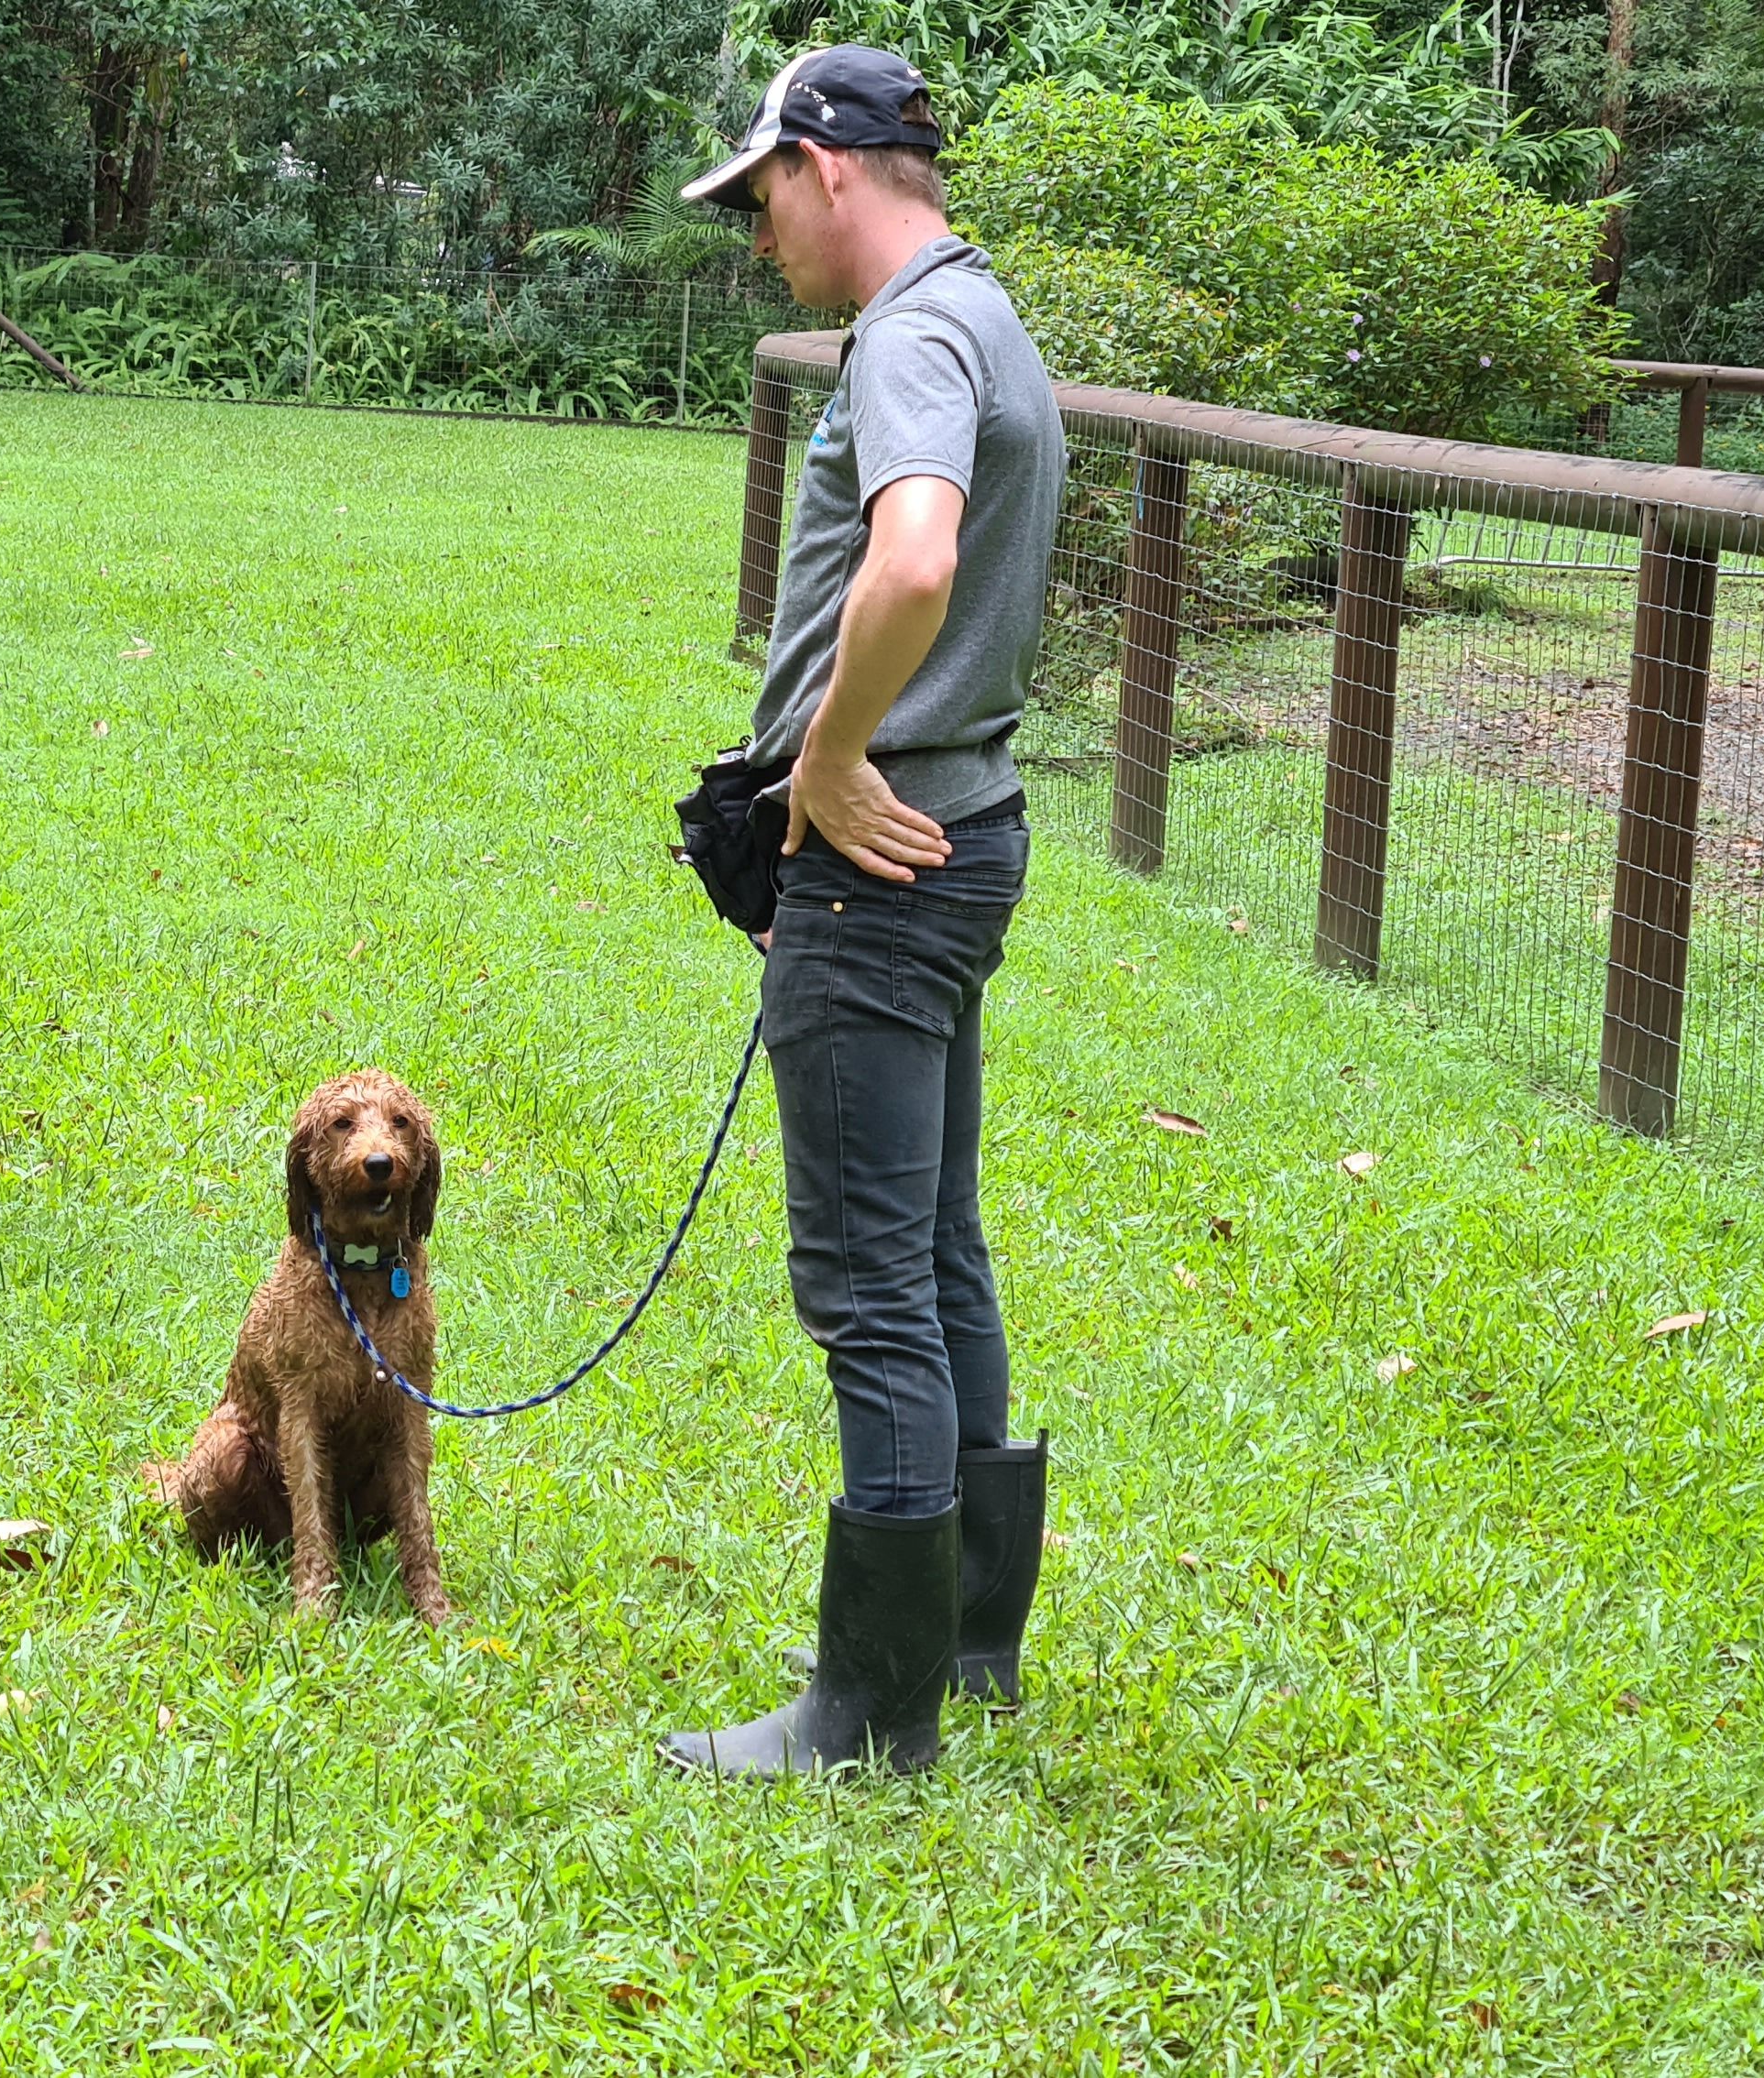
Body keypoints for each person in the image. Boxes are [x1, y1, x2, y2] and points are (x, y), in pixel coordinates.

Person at [655, 47, 1066, 1778]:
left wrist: (818, 762)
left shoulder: (903, 333)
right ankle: (967, 1639)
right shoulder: (986, 314)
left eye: (757, 199)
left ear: (827, 165)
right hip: (965, 829)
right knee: (937, 1246)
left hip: (884, 854)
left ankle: (866, 1709)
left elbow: (910, 560)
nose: (758, 238)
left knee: (864, 1282)